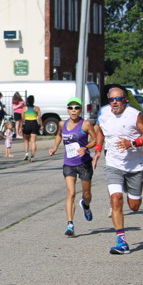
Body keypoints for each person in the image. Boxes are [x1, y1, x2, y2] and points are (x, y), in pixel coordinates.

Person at [93, 87, 143, 254]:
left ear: (125, 100)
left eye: (118, 99)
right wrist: (98, 149)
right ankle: (122, 242)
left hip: (135, 166)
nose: (114, 102)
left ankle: (130, 191)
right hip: (113, 164)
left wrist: (131, 143)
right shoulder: (103, 113)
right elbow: (100, 131)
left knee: (134, 206)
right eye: (111, 99)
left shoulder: (134, 114)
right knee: (116, 199)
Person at [48, 98, 96, 237]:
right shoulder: (62, 124)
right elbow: (59, 136)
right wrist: (55, 147)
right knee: (71, 193)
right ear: (67, 110)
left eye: (76, 108)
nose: (73, 110)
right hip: (69, 163)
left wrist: (85, 147)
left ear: (80, 110)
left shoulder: (86, 124)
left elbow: (96, 140)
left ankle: (86, 205)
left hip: (84, 163)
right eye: (71, 108)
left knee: (86, 194)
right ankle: (70, 224)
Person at [21, 95, 40, 161]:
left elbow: (22, 118)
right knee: (33, 141)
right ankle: (32, 156)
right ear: (33, 101)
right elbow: (39, 118)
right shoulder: (37, 108)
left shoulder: (24, 108)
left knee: (26, 140)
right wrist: (41, 125)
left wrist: (21, 127)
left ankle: (26, 153)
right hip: (34, 123)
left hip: (27, 123)